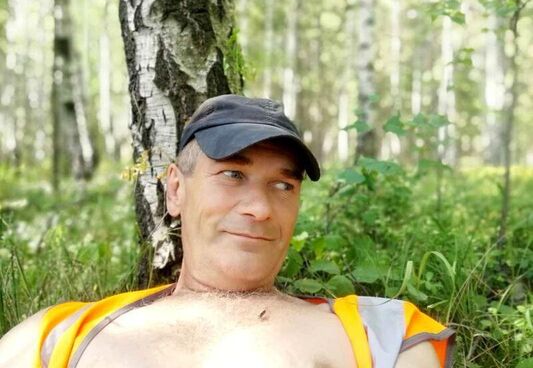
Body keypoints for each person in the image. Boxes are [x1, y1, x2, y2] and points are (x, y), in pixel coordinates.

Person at [0, 95, 454, 368]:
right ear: (176, 190)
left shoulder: (384, 332)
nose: (260, 208)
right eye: (233, 175)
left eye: (283, 185)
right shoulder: (58, 334)